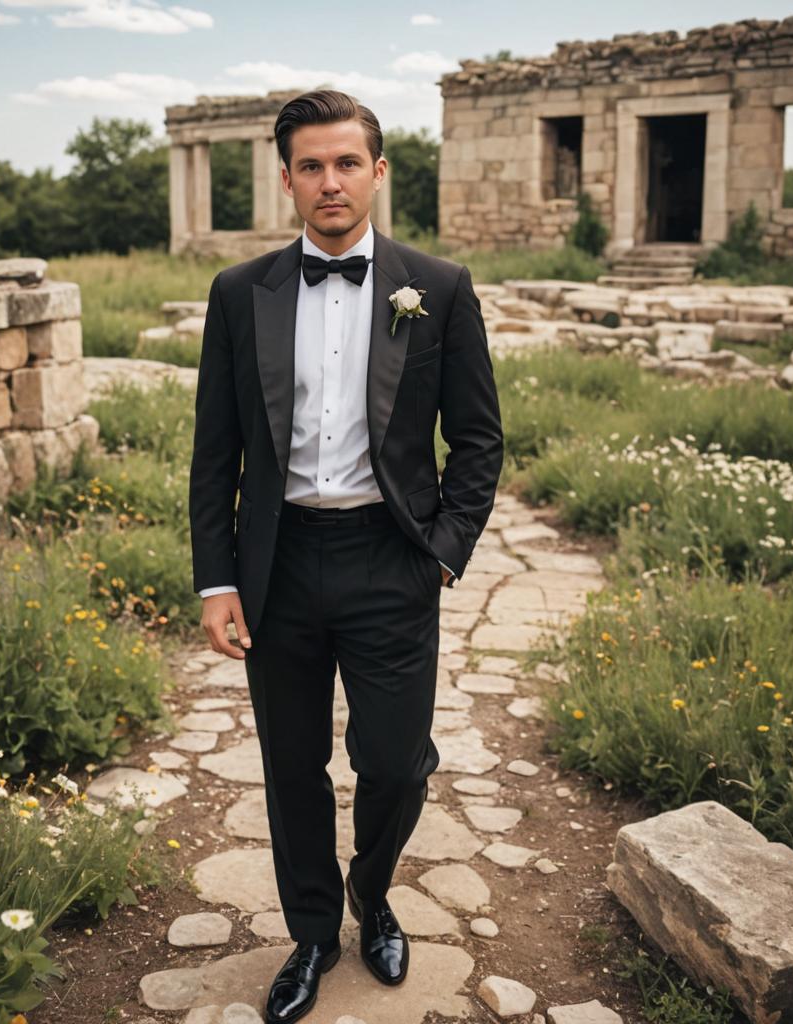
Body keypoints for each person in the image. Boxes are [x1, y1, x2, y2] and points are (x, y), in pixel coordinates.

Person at [188, 88, 503, 1024]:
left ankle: (374, 892)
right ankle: (315, 932)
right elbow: (216, 451)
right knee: (291, 766)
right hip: (275, 565)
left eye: (347, 163)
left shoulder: (437, 287)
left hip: (390, 559)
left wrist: (444, 551)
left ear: (378, 172)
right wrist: (216, 579)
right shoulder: (240, 292)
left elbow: (478, 440)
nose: (331, 182)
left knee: (398, 763)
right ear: (287, 179)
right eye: (312, 166)